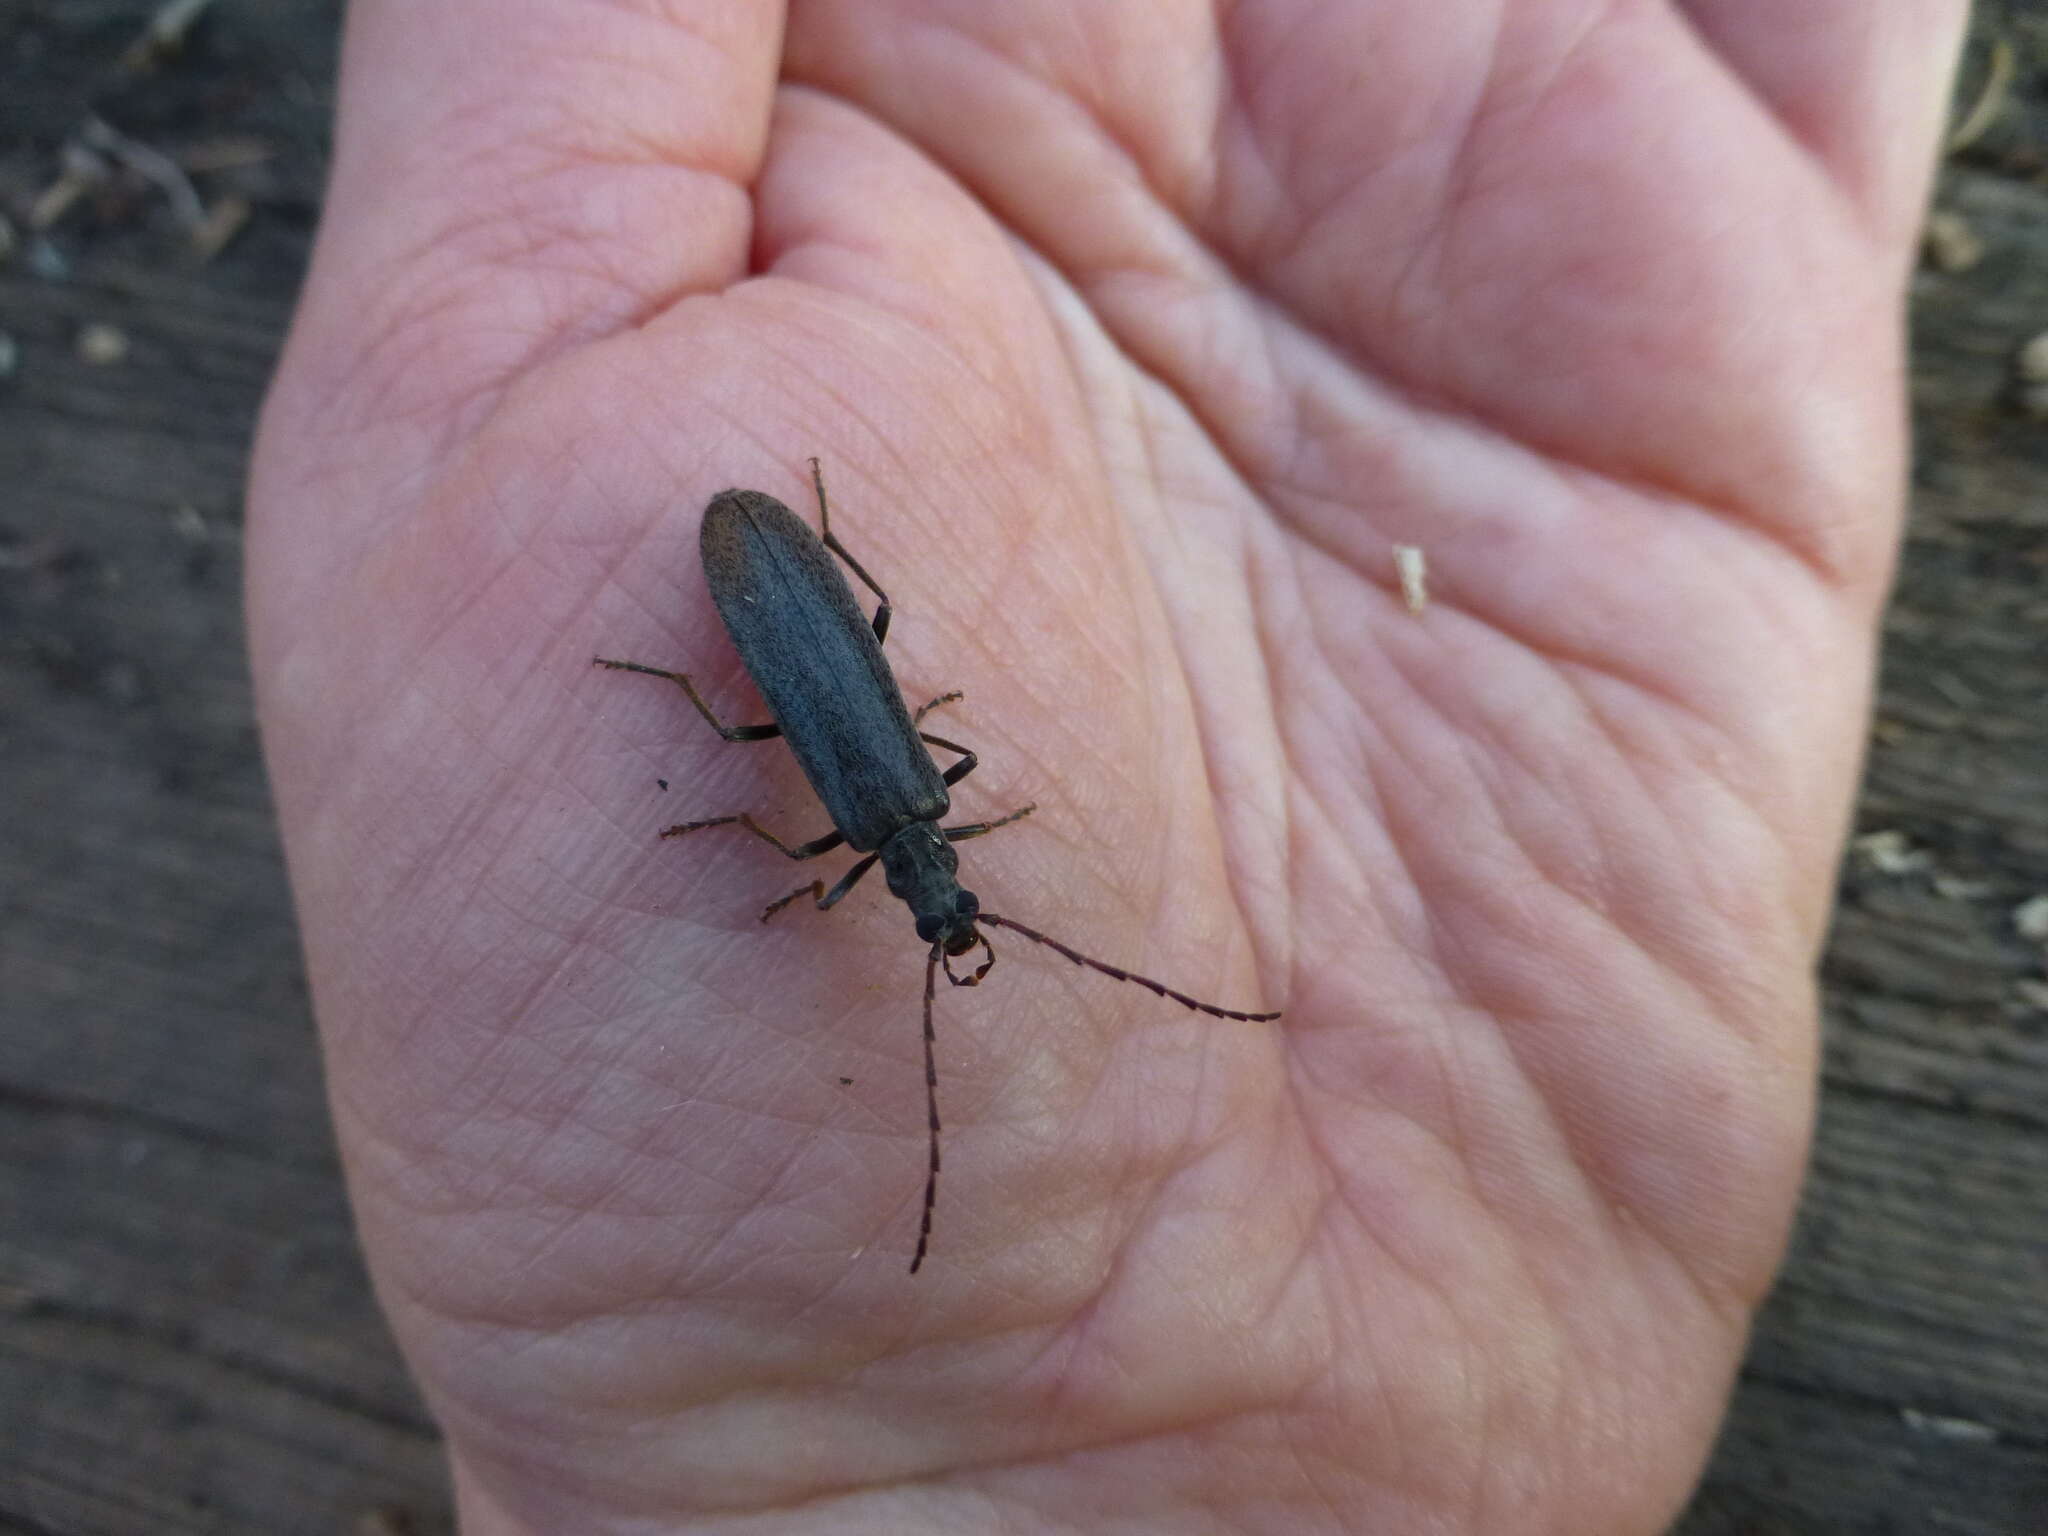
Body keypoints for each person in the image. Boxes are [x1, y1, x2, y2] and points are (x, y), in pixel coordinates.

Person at [247, 4, 1968, 1530]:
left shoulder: (885, 822)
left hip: (790, 618)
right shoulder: (898, 816)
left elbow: (826, 763)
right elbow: (832, 746)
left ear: (921, 881)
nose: (950, 921)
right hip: (779, 593)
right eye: (949, 910)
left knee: (811, 693)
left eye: (943, 913)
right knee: (799, 696)